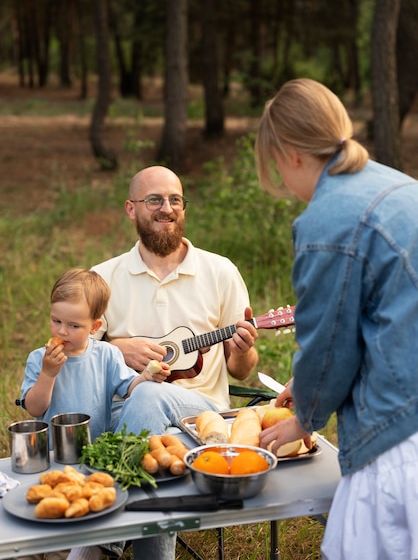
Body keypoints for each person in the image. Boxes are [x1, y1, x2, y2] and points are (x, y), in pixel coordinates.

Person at [255, 78, 418, 560]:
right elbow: (382, 317)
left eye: (277, 168)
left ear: (291, 155)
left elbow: (328, 347)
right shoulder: (399, 185)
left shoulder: (328, 220)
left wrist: (303, 417)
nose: (285, 184)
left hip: (395, 434)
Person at [80, 165, 258, 560]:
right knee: (149, 431)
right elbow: (75, 356)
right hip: (121, 411)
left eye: (175, 199)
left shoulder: (220, 271)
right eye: (154, 200)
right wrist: (117, 349)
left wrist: (243, 348)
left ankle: (99, 538)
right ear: (131, 208)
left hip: (202, 418)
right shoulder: (104, 277)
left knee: (152, 398)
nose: (167, 208)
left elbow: (241, 371)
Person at [21, 268, 169, 441]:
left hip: (96, 448)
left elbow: (129, 389)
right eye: (56, 321)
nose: (62, 331)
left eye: (73, 326)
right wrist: (47, 373)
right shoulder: (39, 359)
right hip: (53, 451)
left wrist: (146, 376)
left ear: (95, 327)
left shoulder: (107, 354)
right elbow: (34, 409)